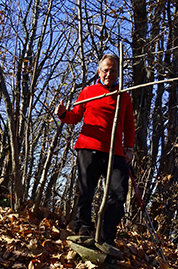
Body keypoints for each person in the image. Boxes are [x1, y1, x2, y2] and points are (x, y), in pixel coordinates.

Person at [55, 53, 135, 246]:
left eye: (113, 70)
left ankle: (106, 236)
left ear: (119, 73)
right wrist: (63, 114)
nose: (109, 74)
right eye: (105, 70)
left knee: (118, 193)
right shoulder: (88, 92)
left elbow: (129, 125)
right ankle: (83, 228)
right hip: (88, 147)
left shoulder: (124, 96)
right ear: (99, 71)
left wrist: (129, 148)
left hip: (115, 153)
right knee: (85, 191)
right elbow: (74, 117)